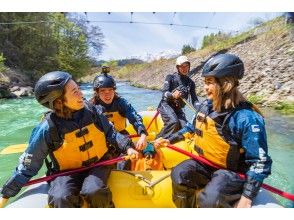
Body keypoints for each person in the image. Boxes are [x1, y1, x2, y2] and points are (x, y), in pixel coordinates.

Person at [0, 71, 138, 208]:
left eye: (79, 89)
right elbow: (28, 165)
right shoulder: (47, 128)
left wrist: (128, 146)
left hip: (99, 165)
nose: (82, 94)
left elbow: (111, 133)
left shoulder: (93, 112)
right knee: (60, 197)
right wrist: (6, 194)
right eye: (75, 92)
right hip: (66, 173)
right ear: (59, 101)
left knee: (93, 190)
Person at [155, 54, 272, 208]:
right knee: (179, 174)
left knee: (209, 200)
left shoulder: (246, 118)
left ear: (225, 84)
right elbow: (191, 127)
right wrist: (170, 140)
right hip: (206, 164)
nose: (205, 87)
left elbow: (260, 161)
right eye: (205, 82)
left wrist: (247, 197)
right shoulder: (207, 107)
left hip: (231, 172)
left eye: (209, 82)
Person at [90, 73, 147, 169]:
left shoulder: (121, 103)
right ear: (97, 92)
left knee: (126, 156)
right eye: (103, 91)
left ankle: (122, 172)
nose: (107, 94)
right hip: (101, 139)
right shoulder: (91, 106)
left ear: (114, 90)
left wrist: (143, 134)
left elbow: (134, 118)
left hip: (122, 135)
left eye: (110, 90)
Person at [156, 55, 199, 139]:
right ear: (177, 67)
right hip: (166, 105)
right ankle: (155, 142)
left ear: (189, 66)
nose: (184, 68)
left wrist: (200, 109)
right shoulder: (170, 77)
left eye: (186, 66)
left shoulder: (191, 83)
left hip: (178, 109)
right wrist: (172, 95)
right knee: (174, 122)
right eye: (181, 66)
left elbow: (195, 100)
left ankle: (172, 142)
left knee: (186, 128)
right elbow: (164, 93)